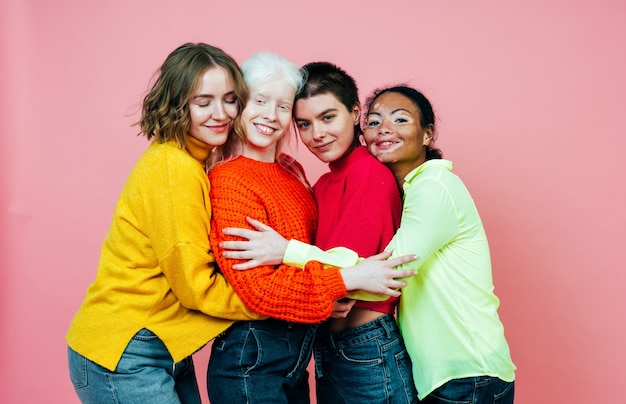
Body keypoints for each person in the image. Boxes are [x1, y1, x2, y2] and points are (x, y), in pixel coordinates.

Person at [224, 84, 517, 403]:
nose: (384, 129)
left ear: (427, 134)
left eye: (401, 120)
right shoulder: (394, 187)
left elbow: (387, 272)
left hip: (466, 369)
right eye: (375, 121)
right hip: (428, 367)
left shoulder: (433, 186)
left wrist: (287, 251)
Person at [205, 53, 417, 404]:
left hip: (337, 345)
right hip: (265, 353)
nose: (316, 133)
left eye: (283, 107)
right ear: (239, 106)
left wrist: (289, 254)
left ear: (355, 114)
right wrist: (327, 291)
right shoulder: (238, 179)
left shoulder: (312, 174)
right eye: (259, 101)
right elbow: (259, 287)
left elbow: (348, 270)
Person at [65, 43, 267, 404]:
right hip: (125, 351)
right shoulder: (174, 168)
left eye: (230, 99)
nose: (221, 113)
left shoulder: (194, 162)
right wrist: (284, 302)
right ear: (177, 103)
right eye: (203, 102)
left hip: (162, 343)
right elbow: (196, 286)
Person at [292, 61, 417, 403]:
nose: (316, 134)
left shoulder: (367, 173)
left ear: (355, 111)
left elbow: (340, 274)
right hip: (332, 346)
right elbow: (331, 280)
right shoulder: (323, 183)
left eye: (327, 117)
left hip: (366, 346)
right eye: (304, 124)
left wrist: (293, 262)